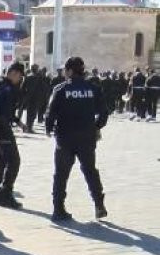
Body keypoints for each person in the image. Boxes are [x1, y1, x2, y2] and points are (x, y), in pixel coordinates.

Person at [45, 57, 109, 222]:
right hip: (86, 138)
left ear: (70, 71)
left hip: (65, 138)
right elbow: (104, 113)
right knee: (90, 171)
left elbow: (50, 113)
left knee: (61, 174)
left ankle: (58, 209)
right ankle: (99, 204)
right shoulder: (93, 89)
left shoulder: (60, 89)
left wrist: (49, 128)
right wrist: (96, 127)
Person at [0, 62, 26, 209]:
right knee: (14, 161)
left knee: (1, 161)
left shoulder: (10, 87)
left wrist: (18, 122)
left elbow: (8, 111)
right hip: (1, 128)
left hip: (4, 126)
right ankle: (5, 193)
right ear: (13, 73)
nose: (20, 79)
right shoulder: (1, 87)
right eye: (20, 75)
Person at [19, 64, 42, 133]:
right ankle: (29, 127)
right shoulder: (39, 77)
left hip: (29, 97)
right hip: (35, 97)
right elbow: (42, 88)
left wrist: (24, 95)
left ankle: (28, 127)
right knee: (33, 113)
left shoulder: (28, 77)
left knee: (29, 113)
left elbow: (22, 88)